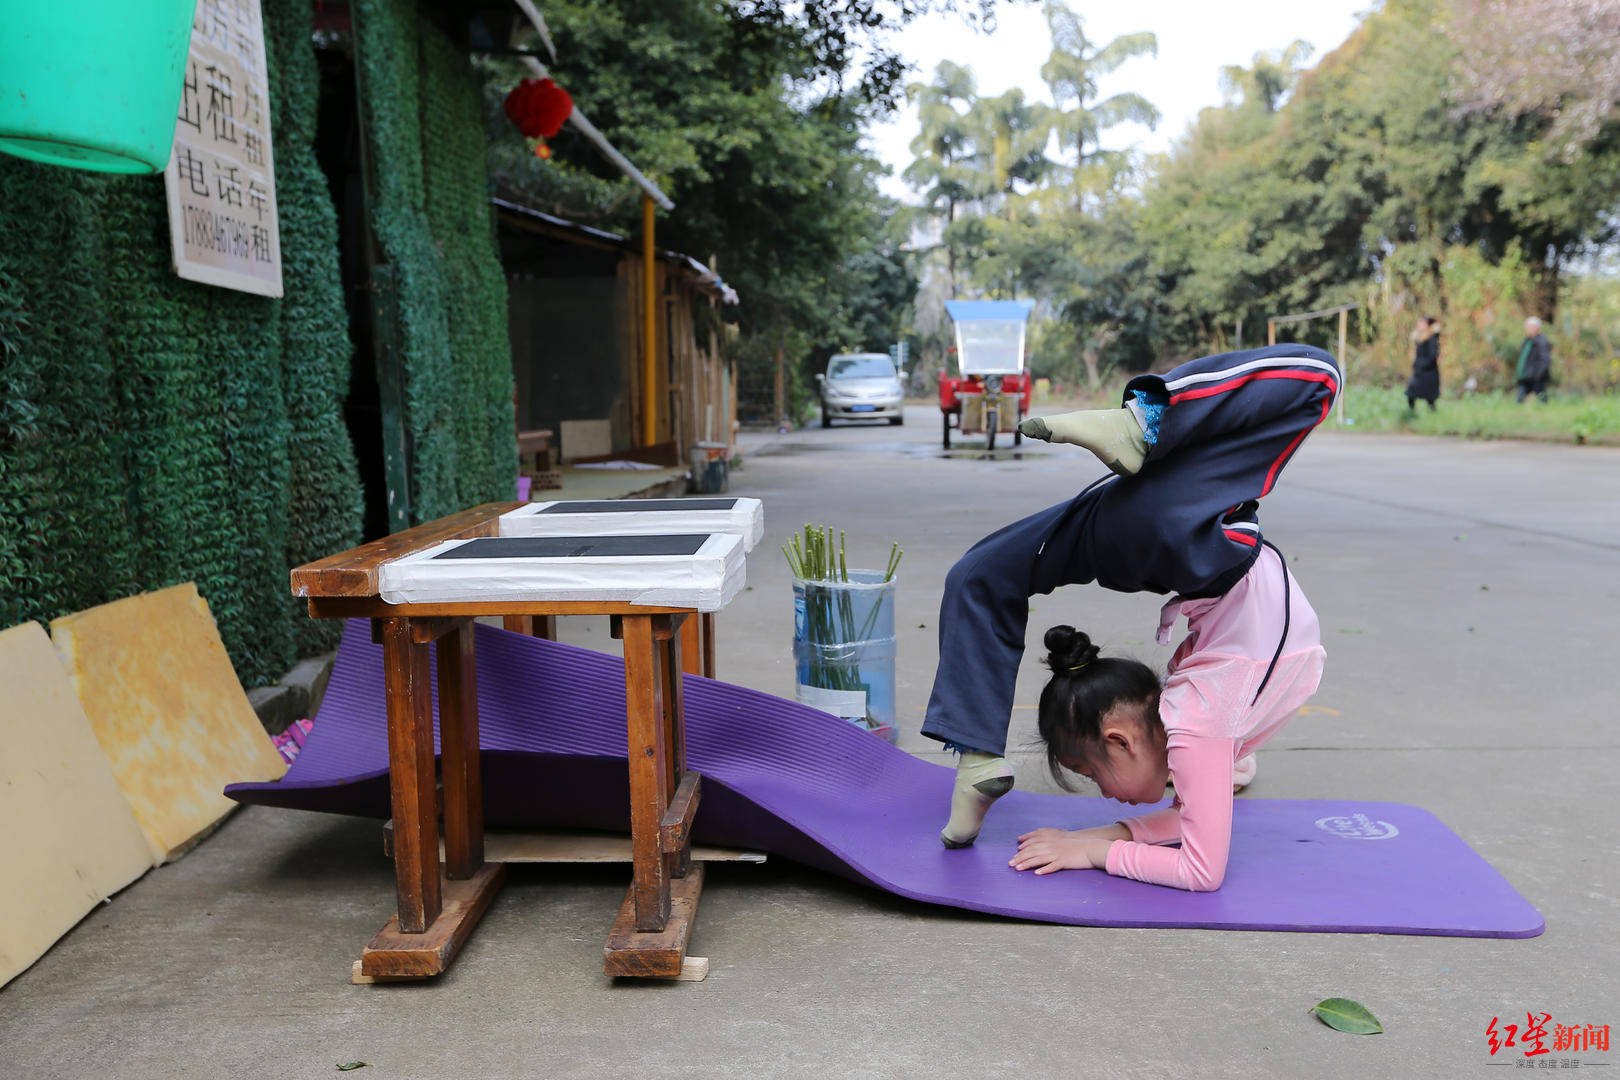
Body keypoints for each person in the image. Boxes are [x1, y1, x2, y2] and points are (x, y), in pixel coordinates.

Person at [922, 344, 1335, 892]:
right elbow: (1196, 844)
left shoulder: (1195, 727)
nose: (1101, 789)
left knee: (982, 574)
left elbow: (1197, 860)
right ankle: (1147, 424)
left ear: (1121, 738)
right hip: (1187, 538)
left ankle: (1145, 423)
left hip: (1183, 537)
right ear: (1124, 738)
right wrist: (1101, 839)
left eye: (1090, 772)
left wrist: (1093, 846)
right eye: (1093, 776)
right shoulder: (1197, 731)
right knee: (1318, 375)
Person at [1406, 316, 1441, 412]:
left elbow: (1433, 355)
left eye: (1422, 323)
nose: (1419, 325)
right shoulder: (1419, 338)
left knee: (1430, 397)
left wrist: (1421, 365)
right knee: (1411, 393)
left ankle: (1432, 414)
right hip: (1420, 371)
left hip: (1428, 371)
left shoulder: (1431, 338)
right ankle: (1411, 412)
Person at [1515, 317, 1552, 403]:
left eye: (1530, 327)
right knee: (1519, 398)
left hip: (1536, 377)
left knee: (1541, 397)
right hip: (1525, 376)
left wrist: (1539, 374)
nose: (1528, 329)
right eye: (1527, 327)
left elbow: (1545, 360)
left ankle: (1545, 412)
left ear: (1537, 328)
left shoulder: (1542, 341)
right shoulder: (1527, 341)